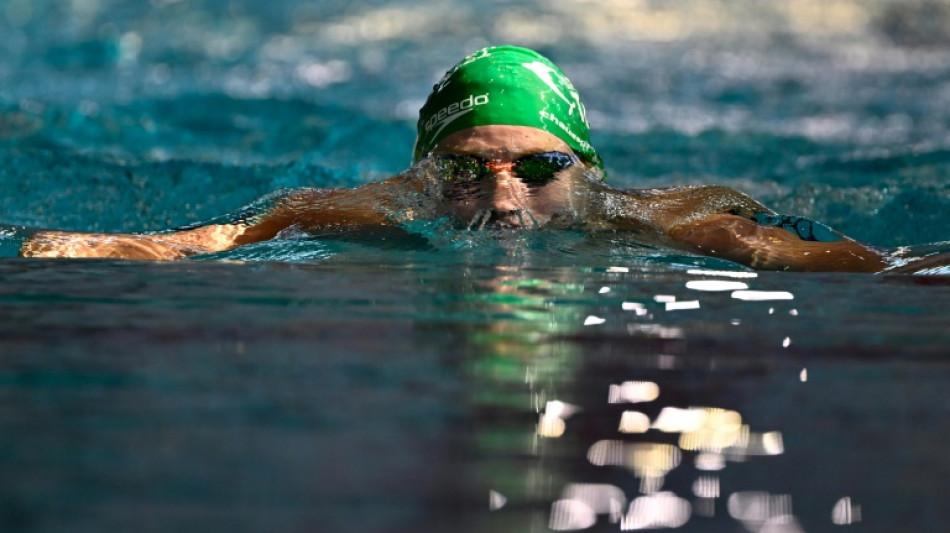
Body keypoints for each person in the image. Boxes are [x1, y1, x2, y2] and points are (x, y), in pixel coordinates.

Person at [20, 45, 894, 272]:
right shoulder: (382, 210)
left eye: (540, 169)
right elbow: (235, 231)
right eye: (468, 169)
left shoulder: (661, 222)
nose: (504, 199)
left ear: (586, 169)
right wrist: (112, 248)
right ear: (424, 175)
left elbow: (859, 264)